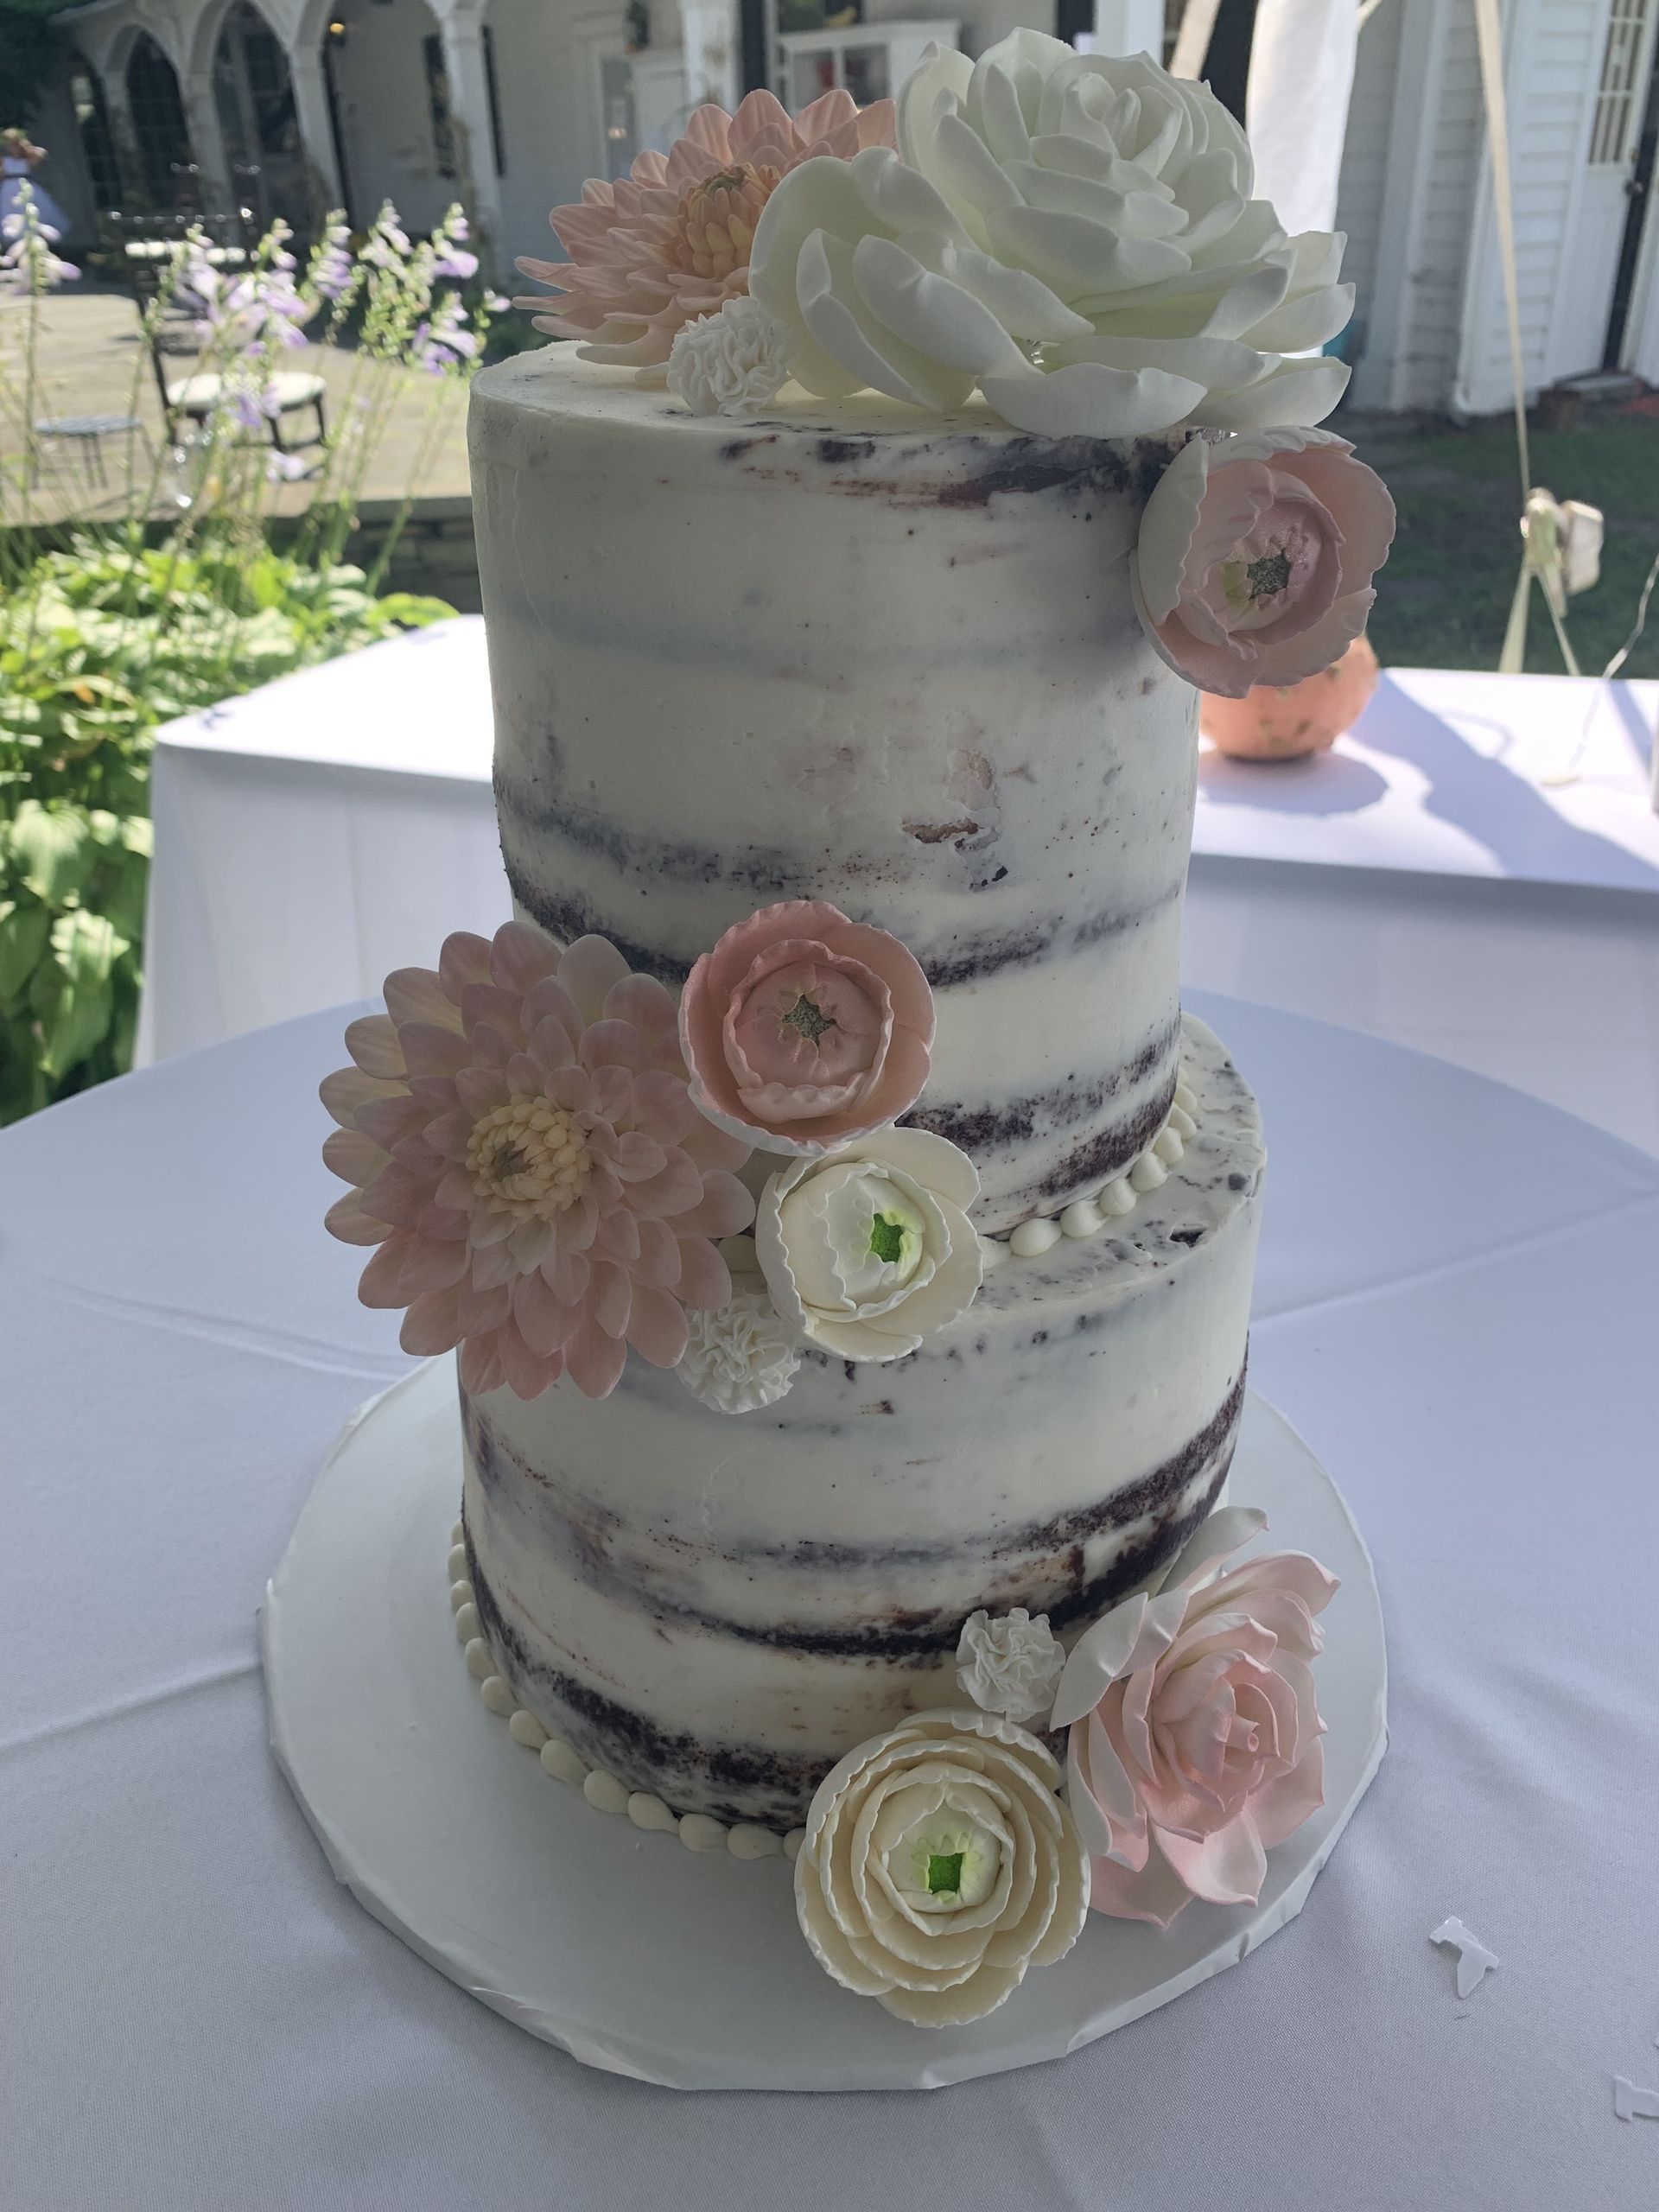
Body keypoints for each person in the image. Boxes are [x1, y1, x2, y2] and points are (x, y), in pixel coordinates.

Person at [1, 128, 73, 240]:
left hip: (26, 187)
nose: (12, 148)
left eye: (14, 145)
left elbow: (41, 152)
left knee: (33, 210)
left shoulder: (27, 161)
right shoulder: (4, 161)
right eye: (9, 146)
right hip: (8, 190)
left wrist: (26, 147)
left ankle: (36, 236)